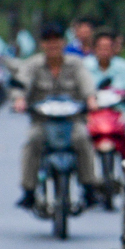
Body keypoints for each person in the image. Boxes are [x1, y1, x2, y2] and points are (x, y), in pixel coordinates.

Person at [12, 23, 101, 209]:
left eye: (56, 40)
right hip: (43, 122)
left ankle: (89, 186)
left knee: (83, 139)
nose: (53, 45)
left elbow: (87, 84)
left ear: (63, 42)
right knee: (32, 141)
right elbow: (21, 84)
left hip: (72, 121)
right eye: (48, 41)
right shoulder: (33, 65)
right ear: (42, 44)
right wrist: (19, 99)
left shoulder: (76, 64)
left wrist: (91, 99)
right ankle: (28, 190)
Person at [83, 28, 125, 160]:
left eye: (108, 47)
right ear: (94, 48)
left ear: (114, 49)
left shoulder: (124, 67)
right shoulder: (85, 66)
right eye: (101, 47)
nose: (104, 51)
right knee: (79, 137)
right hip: (93, 114)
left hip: (120, 113)